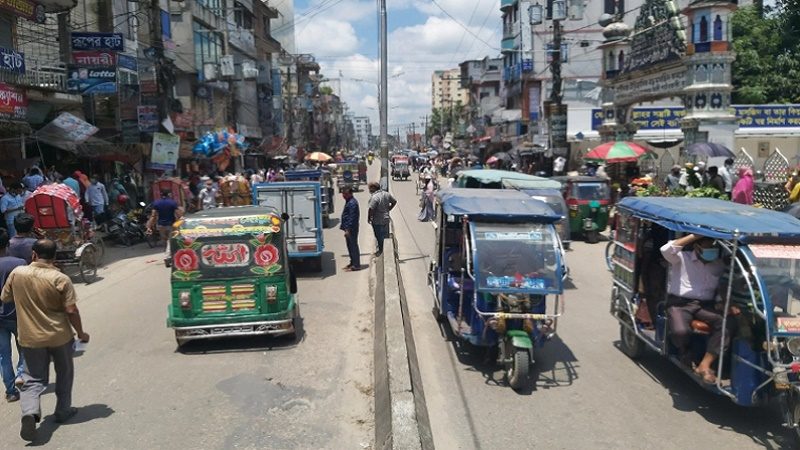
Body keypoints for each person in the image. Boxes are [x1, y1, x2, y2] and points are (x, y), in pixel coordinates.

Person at [0, 239, 89, 441]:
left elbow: (5, 297)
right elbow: (71, 310)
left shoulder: (17, 273)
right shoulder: (60, 279)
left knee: (32, 380)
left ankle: (30, 413)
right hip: (60, 336)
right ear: (55, 256)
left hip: (30, 337)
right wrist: (81, 333)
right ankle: (63, 410)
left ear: (33, 255)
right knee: (64, 374)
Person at [660, 233, 727, 384]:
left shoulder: (718, 264)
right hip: (680, 303)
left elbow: (722, 286)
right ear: (697, 247)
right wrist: (695, 235)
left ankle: (705, 364)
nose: (711, 250)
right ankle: (685, 351)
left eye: (713, 247)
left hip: (705, 305)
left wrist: (720, 302)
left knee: (724, 324)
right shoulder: (683, 258)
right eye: (706, 247)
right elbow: (666, 250)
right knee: (680, 331)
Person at [0, 230, 26, 403]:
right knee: (24, 348)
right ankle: (22, 374)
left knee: (3, 355)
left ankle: (10, 391)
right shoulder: (20, 264)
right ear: (7, 244)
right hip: (17, 314)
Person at [367, 182, 397, 257]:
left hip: (377, 221)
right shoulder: (386, 194)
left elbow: (371, 209)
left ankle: (381, 252)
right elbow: (394, 202)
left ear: (373, 188)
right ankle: (386, 252)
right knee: (385, 237)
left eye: (370, 188)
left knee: (379, 237)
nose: (369, 190)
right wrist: (388, 209)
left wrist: (369, 217)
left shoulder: (375, 197)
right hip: (386, 219)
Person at [340, 187, 361, 271]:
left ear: (350, 194)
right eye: (343, 194)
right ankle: (352, 263)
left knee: (353, 246)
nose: (343, 196)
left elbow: (352, 218)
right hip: (348, 228)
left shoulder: (353, 203)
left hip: (352, 229)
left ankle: (356, 265)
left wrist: (348, 229)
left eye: (345, 194)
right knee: (350, 246)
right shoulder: (349, 201)